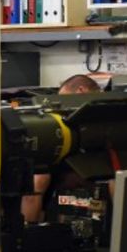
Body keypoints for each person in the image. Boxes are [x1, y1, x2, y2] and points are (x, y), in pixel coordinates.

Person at [21, 74, 102, 223]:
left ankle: (25, 233)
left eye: (64, 98)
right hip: (74, 159)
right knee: (38, 174)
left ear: (81, 91)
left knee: (38, 179)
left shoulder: (99, 106)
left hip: (89, 161)